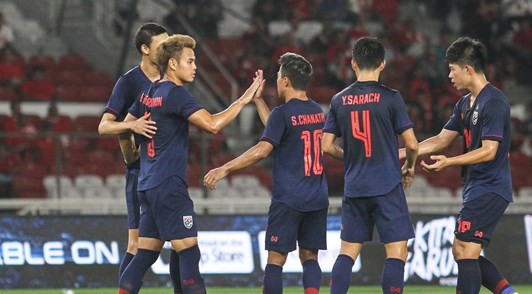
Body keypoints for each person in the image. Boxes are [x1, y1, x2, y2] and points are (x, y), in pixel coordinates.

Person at [117, 34, 262, 294]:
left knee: (145, 255)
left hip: (147, 185)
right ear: (173, 64)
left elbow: (125, 127)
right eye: (190, 61)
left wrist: (132, 154)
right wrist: (243, 99)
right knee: (189, 253)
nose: (195, 66)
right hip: (169, 185)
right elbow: (213, 125)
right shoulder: (175, 93)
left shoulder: (149, 92)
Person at [204, 53, 328, 294]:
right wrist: (259, 101)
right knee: (310, 257)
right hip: (317, 197)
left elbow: (263, 149)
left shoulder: (284, 113)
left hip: (289, 198)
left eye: (279, 76)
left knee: (275, 260)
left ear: (285, 82)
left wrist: (225, 167)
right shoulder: (317, 112)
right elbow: (281, 128)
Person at [415, 37, 518, 294]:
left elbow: (489, 150)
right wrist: (403, 152)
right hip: (477, 187)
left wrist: (450, 162)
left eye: (452, 68)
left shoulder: (493, 101)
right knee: (462, 250)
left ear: (468, 69)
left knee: (465, 250)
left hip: (490, 186)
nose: (450, 75)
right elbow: (441, 140)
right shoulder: (464, 104)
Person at [321, 36, 419, 294]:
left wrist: (352, 157)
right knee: (396, 251)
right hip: (387, 184)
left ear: (353, 63)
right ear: (383, 64)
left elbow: (326, 146)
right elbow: (412, 144)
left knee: (347, 253)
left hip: (355, 187)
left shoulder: (338, 100)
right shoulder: (391, 98)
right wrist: (409, 166)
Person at [97, 22, 172, 286]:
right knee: (136, 245)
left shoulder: (170, 79)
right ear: (144, 48)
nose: (167, 49)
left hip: (167, 172)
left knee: (180, 242)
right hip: (140, 173)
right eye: (162, 45)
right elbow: (104, 125)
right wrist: (132, 125)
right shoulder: (129, 82)